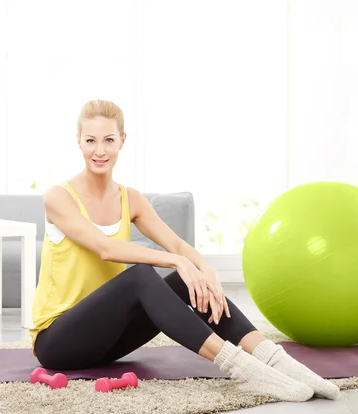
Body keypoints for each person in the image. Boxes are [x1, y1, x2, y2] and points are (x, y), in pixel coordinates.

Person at [29, 99, 339, 402]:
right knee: (141, 277)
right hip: (58, 341)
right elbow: (105, 248)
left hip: (106, 342)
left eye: (109, 140)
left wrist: (206, 271)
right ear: (79, 143)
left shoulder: (130, 198)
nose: (100, 150)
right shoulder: (58, 197)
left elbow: (176, 243)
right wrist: (177, 261)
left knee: (183, 283)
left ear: (122, 141)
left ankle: (276, 361)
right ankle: (244, 369)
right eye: (91, 141)